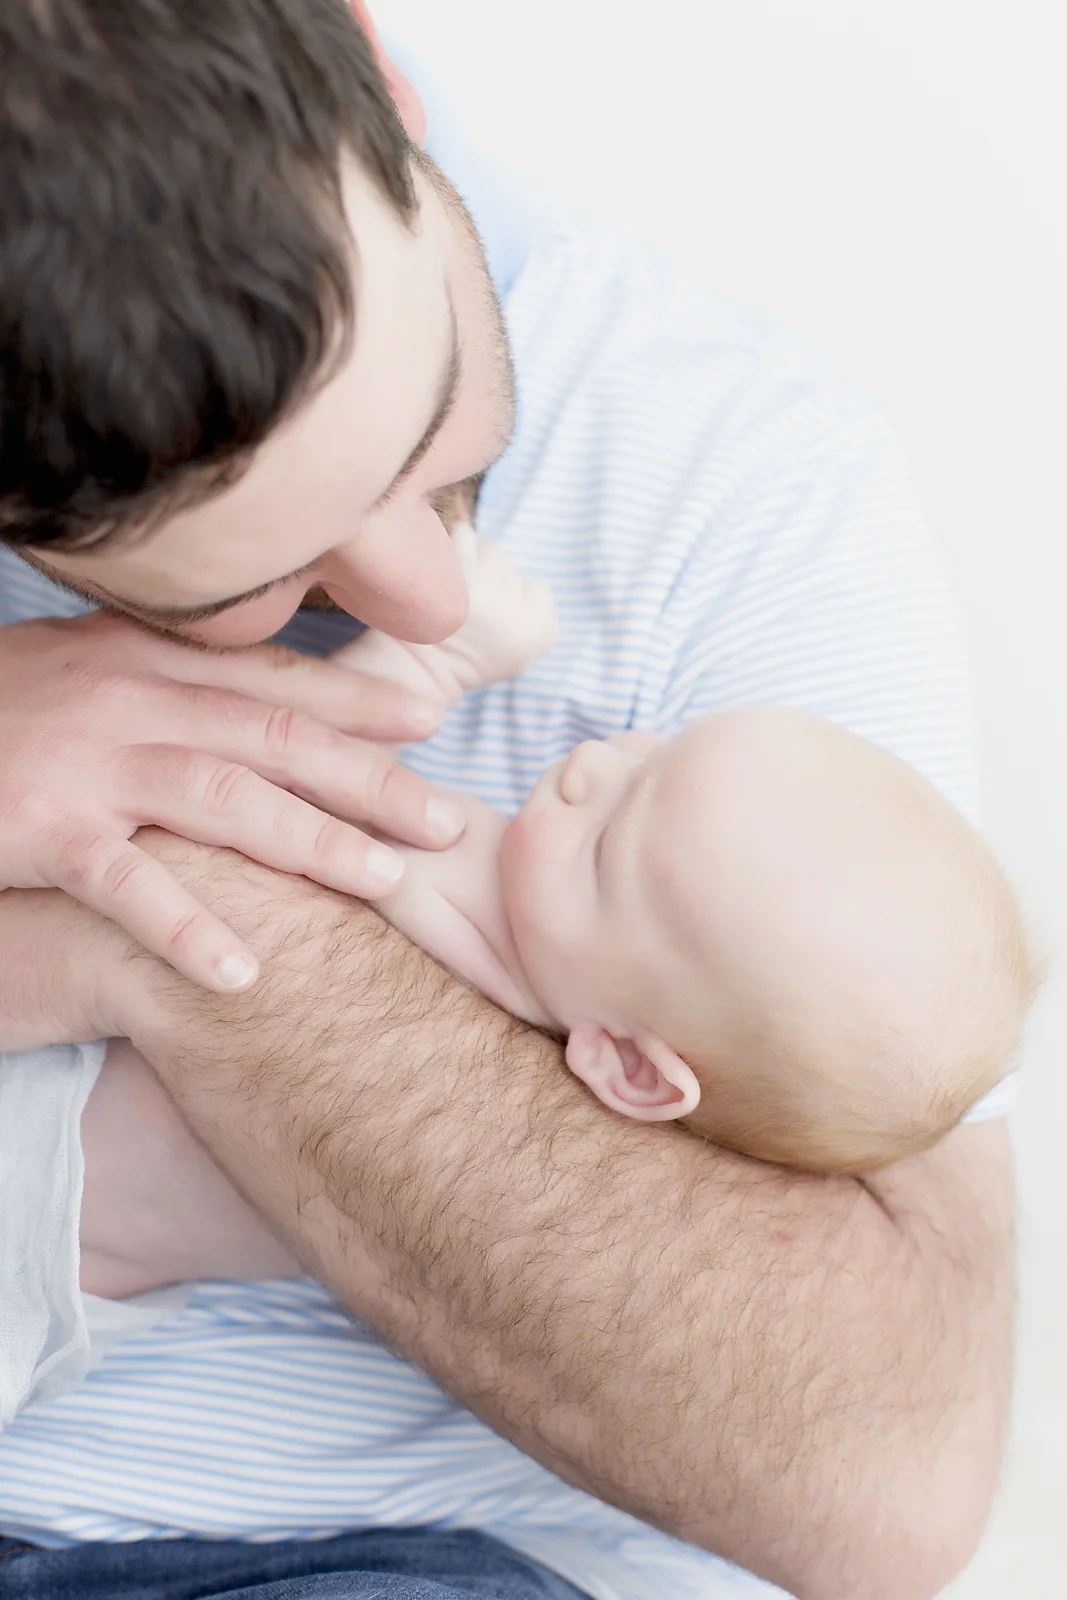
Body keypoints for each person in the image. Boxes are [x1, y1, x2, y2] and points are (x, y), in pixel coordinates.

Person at [0, 4, 1014, 1599]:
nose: (413, 597)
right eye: (261, 583)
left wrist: (185, 922)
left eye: (437, 424)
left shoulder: (744, 484)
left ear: (382, 83)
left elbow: (879, 1472)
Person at [343, 526, 1030, 1172]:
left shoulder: (436, 914)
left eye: (606, 843)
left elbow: (267, 792)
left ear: (627, 1064)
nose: (588, 762)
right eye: (655, 752)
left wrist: (422, 667)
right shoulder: (535, 952)